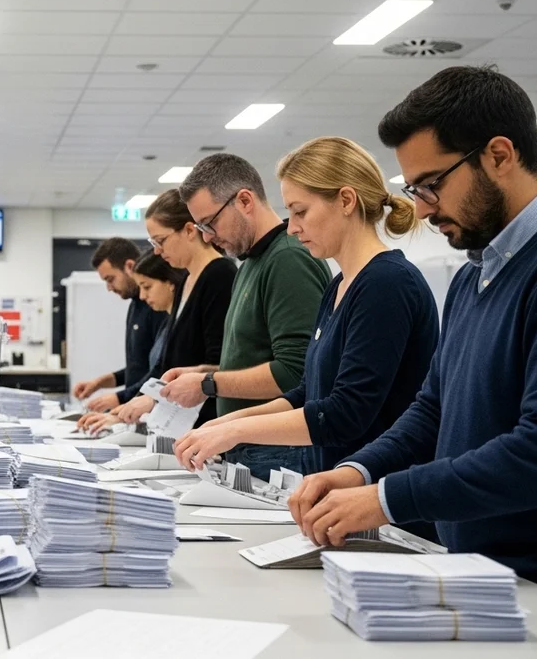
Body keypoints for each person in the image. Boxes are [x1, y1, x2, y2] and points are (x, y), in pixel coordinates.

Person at [289, 66, 537, 607]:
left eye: (433, 184)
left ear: (499, 156)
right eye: (415, 189)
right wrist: (358, 470)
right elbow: (433, 408)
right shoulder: (472, 275)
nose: (424, 208)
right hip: (480, 579)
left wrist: (385, 498)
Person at [174, 137, 439, 483]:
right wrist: (229, 423)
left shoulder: (387, 283)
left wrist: (233, 432)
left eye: (300, 212)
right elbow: (307, 392)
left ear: (345, 200)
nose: (293, 226)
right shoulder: (338, 286)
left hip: (377, 492)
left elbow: (345, 412)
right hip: (331, 488)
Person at [162, 153, 330, 479]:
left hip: (277, 451)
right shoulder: (250, 263)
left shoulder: (288, 259)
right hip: (248, 445)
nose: (207, 236)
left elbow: (296, 372)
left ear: (244, 200)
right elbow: (256, 358)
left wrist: (209, 383)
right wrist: (204, 372)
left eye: (210, 223)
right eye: (201, 227)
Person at [87, 189, 235, 433]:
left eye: (161, 241)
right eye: (153, 243)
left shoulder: (219, 276)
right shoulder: (187, 279)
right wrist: (138, 399)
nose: (156, 251)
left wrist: (155, 398)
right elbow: (167, 364)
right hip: (178, 425)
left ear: (189, 230)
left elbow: (220, 365)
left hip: (207, 426)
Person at [81, 251, 184, 432]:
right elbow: (143, 365)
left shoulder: (162, 314)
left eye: (110, 279)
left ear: (170, 284)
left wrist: (122, 400)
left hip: (162, 415)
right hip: (144, 412)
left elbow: (160, 373)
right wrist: (104, 385)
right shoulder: (151, 312)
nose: (143, 296)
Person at [69, 237, 161, 414]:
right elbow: (138, 366)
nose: (109, 288)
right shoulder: (135, 305)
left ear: (129, 266)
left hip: (150, 410)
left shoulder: (156, 306)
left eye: (110, 279)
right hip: (135, 412)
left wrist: (120, 397)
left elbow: (159, 371)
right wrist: (99, 383)